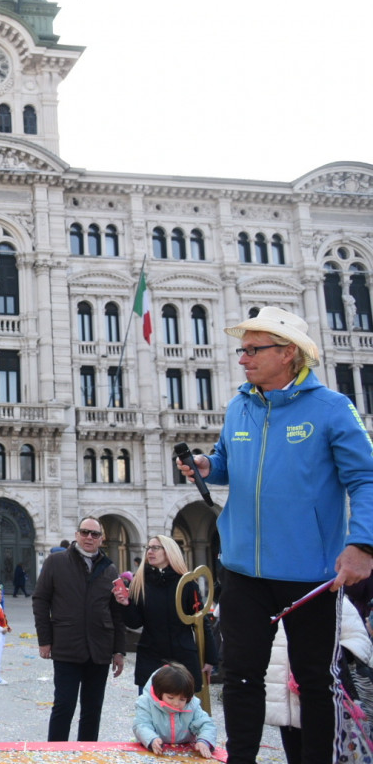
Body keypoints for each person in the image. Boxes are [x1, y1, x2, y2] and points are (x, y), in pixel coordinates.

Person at [176, 306, 373, 764]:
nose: (242, 358)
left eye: (252, 349)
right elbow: (225, 460)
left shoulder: (332, 408)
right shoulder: (239, 405)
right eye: (242, 349)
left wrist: (362, 544)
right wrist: (207, 466)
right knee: (240, 675)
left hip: (310, 574)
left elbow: (365, 479)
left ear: (288, 354)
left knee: (312, 682)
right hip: (242, 569)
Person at [32, 516, 125, 742]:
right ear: (76, 535)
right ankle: (55, 755)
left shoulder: (110, 569)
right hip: (66, 645)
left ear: (102, 539)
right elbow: (40, 600)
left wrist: (118, 650)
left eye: (94, 534)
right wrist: (44, 640)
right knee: (64, 705)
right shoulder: (56, 562)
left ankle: (87, 755)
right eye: (84, 532)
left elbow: (117, 612)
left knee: (92, 710)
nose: (89, 537)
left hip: (100, 648)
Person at [267, 596, 373, 763]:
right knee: (295, 754)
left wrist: (324, 663)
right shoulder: (272, 598)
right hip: (286, 701)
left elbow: (359, 641)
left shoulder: (332, 596)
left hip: (323, 695)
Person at [113, 535, 217, 693]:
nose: (150, 552)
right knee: (150, 712)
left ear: (169, 551)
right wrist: (125, 605)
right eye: (148, 548)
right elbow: (135, 623)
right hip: (151, 656)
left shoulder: (186, 583)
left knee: (183, 712)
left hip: (183, 657)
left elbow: (201, 622)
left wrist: (210, 658)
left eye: (155, 548)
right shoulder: (140, 582)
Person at [133, 662, 216, 757]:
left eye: (182, 699)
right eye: (170, 698)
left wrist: (204, 741)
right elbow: (141, 725)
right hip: (153, 750)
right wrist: (151, 739)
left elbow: (207, 724)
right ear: (159, 693)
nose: (176, 703)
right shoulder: (146, 703)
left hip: (185, 752)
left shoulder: (192, 705)